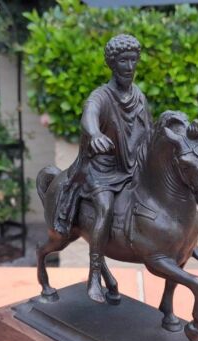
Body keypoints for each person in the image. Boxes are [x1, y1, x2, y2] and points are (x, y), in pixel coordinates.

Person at [55, 34, 153, 303]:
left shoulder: (139, 97)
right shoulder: (100, 96)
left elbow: (150, 132)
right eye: (123, 60)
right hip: (102, 170)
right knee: (106, 208)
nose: (129, 66)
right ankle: (94, 277)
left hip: (132, 167)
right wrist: (95, 133)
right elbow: (89, 115)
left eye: (133, 59)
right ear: (112, 63)